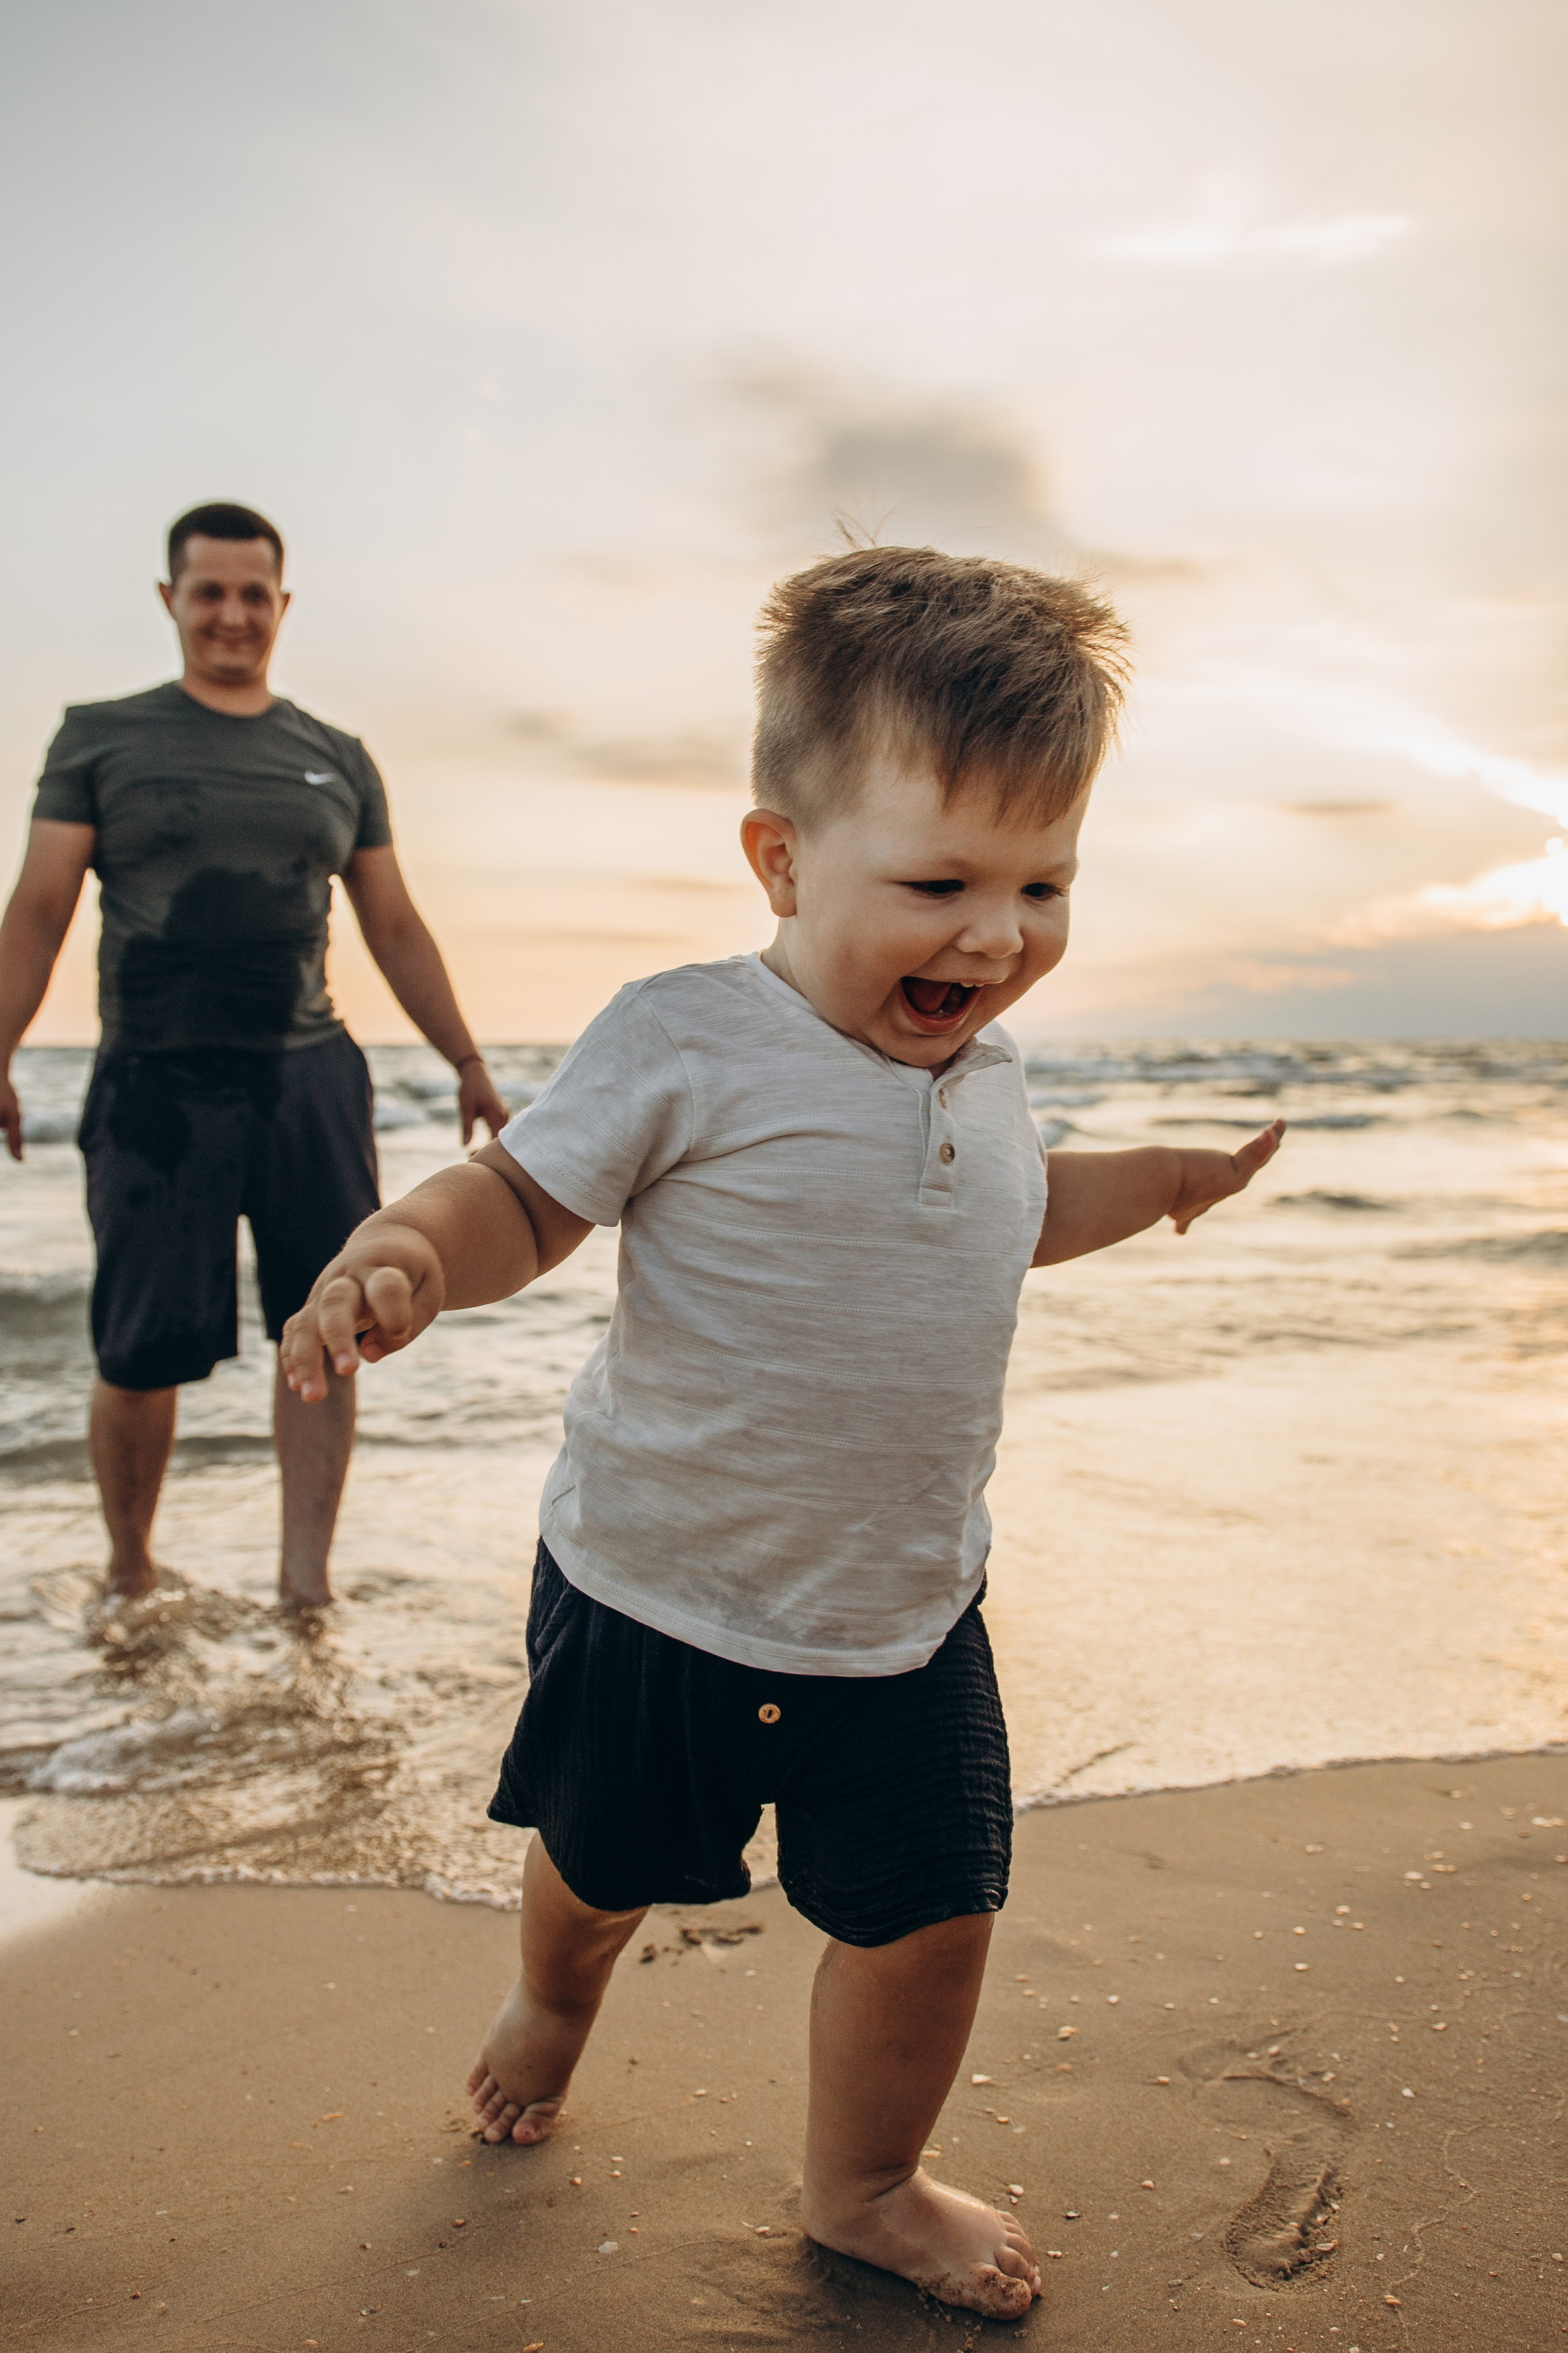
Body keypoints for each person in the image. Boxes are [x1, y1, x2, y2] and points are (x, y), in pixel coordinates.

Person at [280, 545, 1284, 2317]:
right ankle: (556, 1994)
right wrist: (410, 1254)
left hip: (903, 1615)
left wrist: (1174, 1179)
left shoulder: (983, 1072)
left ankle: (865, 2182)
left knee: (932, 1917)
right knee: (595, 1872)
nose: (998, 934)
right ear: (781, 858)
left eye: (1047, 883)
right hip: (660, 1592)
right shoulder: (689, 1040)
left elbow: (1024, 1209)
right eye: (941, 879)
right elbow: (526, 1195)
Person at [0, 500, 508, 1608]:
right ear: (171, 600)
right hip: (154, 1083)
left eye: (252, 594)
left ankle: (304, 1590)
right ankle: (130, 1576)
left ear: (281, 603)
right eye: (208, 592)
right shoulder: (99, 736)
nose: (231, 614)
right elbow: (37, 910)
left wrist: (467, 1057)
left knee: (329, 1328)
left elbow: (395, 922)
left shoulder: (337, 757)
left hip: (308, 1080)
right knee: (138, 1347)